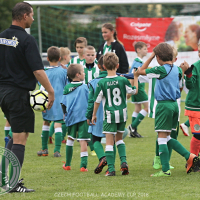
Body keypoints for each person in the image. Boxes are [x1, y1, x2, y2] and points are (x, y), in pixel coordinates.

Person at [0, 2, 54, 192]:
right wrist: (51, 91)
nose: (32, 18)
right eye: (31, 15)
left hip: (3, 94)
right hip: (18, 94)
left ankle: (2, 179)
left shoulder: (1, 37)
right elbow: (38, 71)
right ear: (24, 16)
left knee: (14, 137)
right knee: (21, 139)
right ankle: (13, 184)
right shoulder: (27, 39)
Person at [137, 42, 199, 177]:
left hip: (163, 105)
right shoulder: (177, 69)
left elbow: (141, 71)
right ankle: (189, 157)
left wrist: (151, 55)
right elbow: (180, 86)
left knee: (161, 138)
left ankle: (165, 170)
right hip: (174, 105)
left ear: (158, 57)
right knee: (168, 137)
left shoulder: (161, 69)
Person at [91, 52, 139, 176]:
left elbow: (96, 101)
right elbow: (134, 92)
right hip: (122, 114)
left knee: (109, 142)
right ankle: (124, 163)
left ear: (104, 67)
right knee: (119, 140)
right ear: (118, 66)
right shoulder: (123, 79)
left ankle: (111, 169)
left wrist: (94, 115)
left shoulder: (101, 83)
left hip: (109, 115)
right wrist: (136, 78)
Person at [37, 46, 67, 157]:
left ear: (48, 58)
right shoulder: (64, 72)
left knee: (46, 123)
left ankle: (44, 149)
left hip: (47, 103)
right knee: (58, 125)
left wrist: (41, 105)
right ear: (60, 58)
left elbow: (41, 89)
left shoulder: (43, 72)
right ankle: (57, 151)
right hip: (60, 103)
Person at [61, 64, 90, 172]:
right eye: (83, 72)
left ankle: (67, 164)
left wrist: (65, 114)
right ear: (78, 75)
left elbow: (63, 103)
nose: (85, 73)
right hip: (83, 117)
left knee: (70, 139)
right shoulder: (85, 87)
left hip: (71, 117)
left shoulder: (66, 88)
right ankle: (83, 166)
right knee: (83, 141)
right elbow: (89, 102)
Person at [48, 47, 71, 144]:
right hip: (61, 99)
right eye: (70, 56)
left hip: (51, 98)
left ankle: (49, 136)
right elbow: (68, 84)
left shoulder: (47, 71)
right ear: (64, 57)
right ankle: (61, 138)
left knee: (52, 120)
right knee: (61, 120)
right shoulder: (65, 70)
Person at [182, 42, 200, 158]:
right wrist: (188, 74)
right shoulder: (195, 67)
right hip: (195, 107)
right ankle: (193, 161)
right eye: (199, 50)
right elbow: (190, 85)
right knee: (198, 135)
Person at [128, 41, 148, 138]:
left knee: (138, 108)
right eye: (144, 49)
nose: (146, 51)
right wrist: (132, 89)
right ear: (138, 50)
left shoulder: (136, 61)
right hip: (138, 87)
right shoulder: (138, 62)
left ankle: (133, 131)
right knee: (147, 107)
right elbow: (133, 76)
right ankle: (132, 126)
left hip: (137, 87)